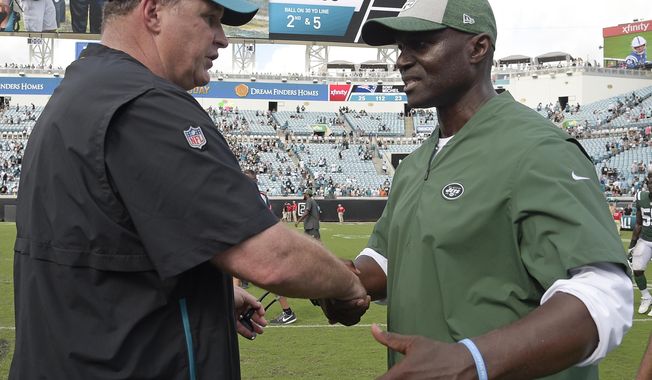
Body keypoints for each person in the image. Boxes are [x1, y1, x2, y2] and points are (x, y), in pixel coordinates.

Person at [10, 0, 369, 378]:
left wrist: (211, 295)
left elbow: (99, 250)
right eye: (209, 19)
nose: (223, 39)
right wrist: (347, 284)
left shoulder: (80, 89)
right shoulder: (146, 105)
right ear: (152, 13)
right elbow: (270, 258)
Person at [318, 0, 633, 379]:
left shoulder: (537, 149)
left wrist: (473, 360)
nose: (401, 60)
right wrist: (342, 282)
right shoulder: (416, 162)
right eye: (401, 47)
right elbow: (387, 258)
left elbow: (604, 294)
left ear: (478, 48)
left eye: (421, 44)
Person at [628, 176, 652, 316]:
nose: (651, 186)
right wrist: (632, 245)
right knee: (637, 269)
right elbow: (638, 223)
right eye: (650, 183)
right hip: (645, 239)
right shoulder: (641, 197)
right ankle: (646, 297)